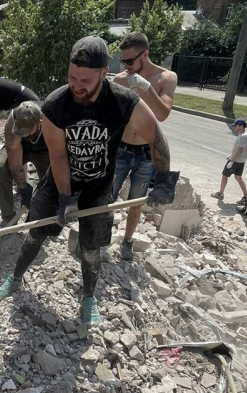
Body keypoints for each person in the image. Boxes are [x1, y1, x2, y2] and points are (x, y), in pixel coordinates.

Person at [0, 36, 178, 326]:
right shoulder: (55, 104)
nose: (76, 85)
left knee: (91, 249)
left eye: (85, 79)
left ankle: (88, 297)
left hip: (99, 186)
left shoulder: (123, 101)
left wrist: (164, 179)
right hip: (59, 182)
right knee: (36, 231)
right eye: (72, 76)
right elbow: (59, 157)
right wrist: (65, 198)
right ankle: (16, 278)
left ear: (104, 73)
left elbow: (155, 135)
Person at [111, 32, 179, 263]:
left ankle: (128, 241)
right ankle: (100, 240)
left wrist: (146, 88)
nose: (126, 66)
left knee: (136, 201)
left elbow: (162, 114)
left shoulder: (165, 78)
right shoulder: (121, 79)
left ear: (145, 54)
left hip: (146, 152)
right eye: (123, 61)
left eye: (130, 61)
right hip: (120, 149)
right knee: (106, 197)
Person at [0, 101, 50, 225]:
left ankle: (39, 219)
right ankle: (9, 218)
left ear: (39, 123)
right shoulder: (12, 121)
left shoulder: (51, 123)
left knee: (50, 180)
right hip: (20, 146)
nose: (22, 133)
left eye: (26, 130)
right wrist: (24, 188)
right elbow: (15, 162)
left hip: (45, 148)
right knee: (0, 171)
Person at [211, 118, 247, 204]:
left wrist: (232, 160)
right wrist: (232, 154)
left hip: (235, 161)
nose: (234, 128)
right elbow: (242, 149)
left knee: (225, 175)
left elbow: (240, 150)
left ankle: (220, 194)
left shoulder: (242, 136)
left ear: (241, 126)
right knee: (238, 177)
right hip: (241, 161)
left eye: (236, 126)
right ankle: (246, 196)